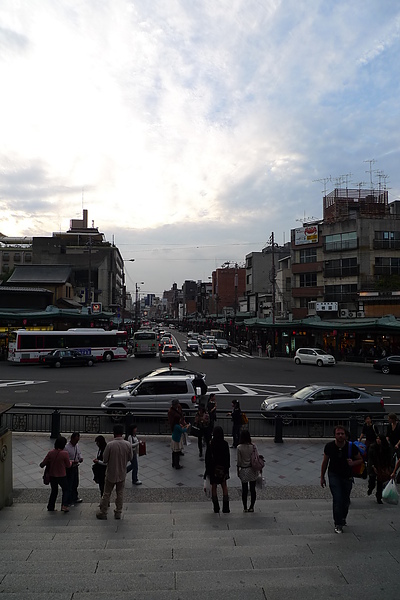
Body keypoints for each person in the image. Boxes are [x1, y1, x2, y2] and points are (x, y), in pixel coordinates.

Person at [320, 425, 363, 534]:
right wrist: (322, 477)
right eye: (338, 434)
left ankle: (343, 517)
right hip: (334, 474)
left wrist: (352, 463)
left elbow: (360, 460)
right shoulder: (329, 446)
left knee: (345, 500)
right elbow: (325, 462)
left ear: (345, 435)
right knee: (337, 499)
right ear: (334, 435)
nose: (340, 436)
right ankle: (338, 523)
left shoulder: (351, 447)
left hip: (347, 476)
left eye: (342, 434)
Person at [96, 424, 133, 520]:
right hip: (122, 472)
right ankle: (118, 512)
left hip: (111, 472)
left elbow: (105, 459)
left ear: (114, 433)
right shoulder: (128, 444)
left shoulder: (110, 445)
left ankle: (103, 512)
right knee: (120, 493)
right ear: (122, 433)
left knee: (107, 493)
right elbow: (130, 457)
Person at [40, 436, 71, 512]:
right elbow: (68, 465)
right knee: (66, 489)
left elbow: (43, 463)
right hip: (61, 475)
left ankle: (50, 506)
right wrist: (71, 462)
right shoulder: (65, 454)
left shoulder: (51, 453)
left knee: (54, 491)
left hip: (52, 475)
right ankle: (64, 505)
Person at [205, 426, 230, 514]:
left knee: (214, 487)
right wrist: (227, 469)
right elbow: (227, 458)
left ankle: (216, 507)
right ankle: (226, 507)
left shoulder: (211, 444)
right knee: (224, 486)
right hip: (222, 468)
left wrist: (207, 470)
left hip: (213, 468)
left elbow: (207, 458)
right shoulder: (225, 444)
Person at [237, 430, 259, 512]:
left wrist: (237, 471)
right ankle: (252, 506)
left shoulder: (239, 447)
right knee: (253, 489)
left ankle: (245, 507)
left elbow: (239, 461)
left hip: (244, 469)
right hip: (252, 469)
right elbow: (257, 458)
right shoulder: (253, 446)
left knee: (244, 489)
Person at [367, 435, 392, 504]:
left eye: (379, 439)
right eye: (377, 439)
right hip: (374, 465)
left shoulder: (386, 448)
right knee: (372, 479)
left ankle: (379, 497)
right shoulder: (372, 447)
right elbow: (370, 458)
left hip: (381, 466)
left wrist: (389, 468)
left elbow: (388, 458)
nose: (378, 440)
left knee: (380, 482)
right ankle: (370, 488)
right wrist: (372, 466)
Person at [65, 432, 83, 505]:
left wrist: (80, 457)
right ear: (72, 439)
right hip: (69, 467)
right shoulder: (66, 447)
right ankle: (69, 499)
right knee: (70, 483)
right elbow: (65, 459)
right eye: (76, 440)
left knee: (75, 482)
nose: (76, 442)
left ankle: (75, 497)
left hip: (75, 466)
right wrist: (72, 461)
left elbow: (79, 453)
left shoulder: (77, 446)